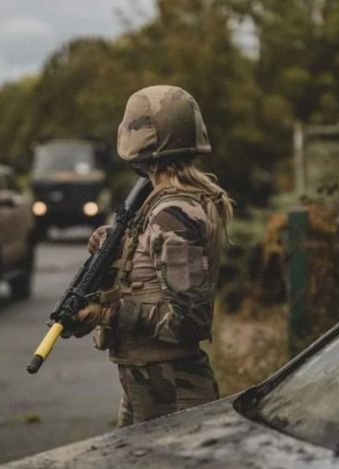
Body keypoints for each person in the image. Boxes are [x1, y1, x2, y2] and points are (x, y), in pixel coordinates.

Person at [65, 85, 232, 427]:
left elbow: (189, 321)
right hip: (147, 391)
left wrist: (109, 313)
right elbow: (148, 280)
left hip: (173, 396)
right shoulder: (156, 203)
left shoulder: (174, 213)